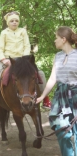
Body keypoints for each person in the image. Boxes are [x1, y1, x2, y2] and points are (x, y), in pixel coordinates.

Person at [0, 11, 51, 115]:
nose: (14, 23)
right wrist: (4, 59)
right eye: (12, 21)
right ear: (8, 23)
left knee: (40, 73)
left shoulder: (22, 31)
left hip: (23, 59)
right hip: (8, 60)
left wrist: (24, 59)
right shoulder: (4, 33)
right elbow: (0, 48)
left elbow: (27, 45)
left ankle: (46, 99)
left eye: (16, 21)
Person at [36, 26, 77, 156]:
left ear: (63, 39)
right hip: (61, 97)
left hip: (75, 96)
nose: (55, 41)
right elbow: (53, 78)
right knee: (62, 131)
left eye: (56, 38)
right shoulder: (58, 56)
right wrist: (42, 97)